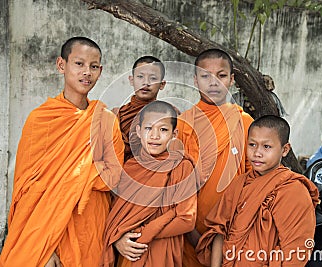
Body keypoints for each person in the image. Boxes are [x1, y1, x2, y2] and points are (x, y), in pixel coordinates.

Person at [0, 37, 124, 266]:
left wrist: (83, 175)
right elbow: (28, 190)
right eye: (79, 64)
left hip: (90, 227)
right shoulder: (41, 120)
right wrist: (46, 247)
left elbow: (113, 177)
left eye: (93, 66)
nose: (87, 72)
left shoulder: (106, 121)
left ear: (100, 71)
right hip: (45, 233)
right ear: (61, 65)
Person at [196, 115, 319, 266]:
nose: (257, 153)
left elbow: (295, 252)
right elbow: (218, 231)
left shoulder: (292, 190)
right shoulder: (239, 184)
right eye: (252, 144)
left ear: (285, 149)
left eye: (266, 146)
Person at [175, 48, 254, 266]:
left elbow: (253, 178)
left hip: (233, 228)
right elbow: (174, 182)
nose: (213, 82)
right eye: (205, 76)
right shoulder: (183, 123)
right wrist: (189, 230)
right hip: (189, 227)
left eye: (221, 75)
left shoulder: (244, 122)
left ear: (231, 80)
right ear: (195, 80)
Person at [102, 100, 198, 267]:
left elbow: (186, 219)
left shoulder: (182, 167)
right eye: (148, 128)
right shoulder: (130, 167)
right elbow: (118, 217)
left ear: (174, 134)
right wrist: (118, 239)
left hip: (162, 251)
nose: (154, 136)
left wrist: (143, 233)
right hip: (129, 253)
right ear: (138, 131)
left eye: (163, 130)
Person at [112, 56, 167, 162]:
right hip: (117, 172)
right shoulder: (116, 114)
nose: (146, 82)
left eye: (153, 78)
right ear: (131, 80)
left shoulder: (169, 115)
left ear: (162, 84)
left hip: (153, 172)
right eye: (140, 77)